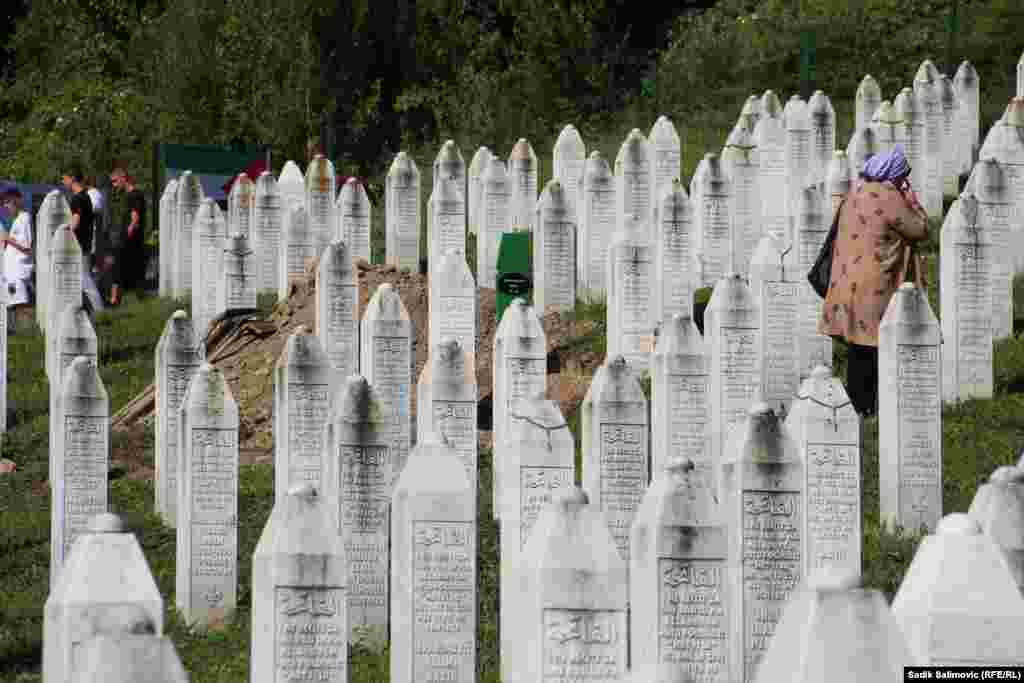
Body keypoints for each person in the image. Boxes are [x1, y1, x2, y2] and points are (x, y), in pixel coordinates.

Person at [818, 145, 929, 418]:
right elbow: (920, 228)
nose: (904, 181)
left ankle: (858, 407)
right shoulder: (889, 197)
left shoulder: (855, 191)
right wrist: (912, 200)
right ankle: (867, 407)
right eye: (902, 176)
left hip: (846, 284)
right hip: (875, 288)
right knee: (873, 349)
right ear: (893, 174)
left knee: (858, 349)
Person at [61, 167, 106, 312]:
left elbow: (76, 221)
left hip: (78, 244)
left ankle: (100, 310)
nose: (63, 182)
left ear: (72, 179)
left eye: (65, 178)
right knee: (81, 278)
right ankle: (81, 308)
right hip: (86, 241)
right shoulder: (86, 196)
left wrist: (64, 232)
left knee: (84, 279)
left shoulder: (76, 198)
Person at [109, 167, 147, 305]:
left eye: (115, 181)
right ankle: (138, 297)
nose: (114, 185)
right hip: (133, 239)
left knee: (117, 268)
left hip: (130, 239)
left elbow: (135, 218)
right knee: (135, 269)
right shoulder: (132, 195)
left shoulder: (134, 195)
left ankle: (114, 299)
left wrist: (126, 237)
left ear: (123, 178)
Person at [0, 184, 33, 332]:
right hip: (11, 271)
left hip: (18, 270)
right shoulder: (17, 220)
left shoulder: (24, 218)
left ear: (16, 201)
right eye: (4, 203)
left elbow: (26, 246)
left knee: (20, 303)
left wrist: (8, 239)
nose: (6, 206)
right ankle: (16, 331)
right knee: (13, 303)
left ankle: (26, 332)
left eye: (8, 202)